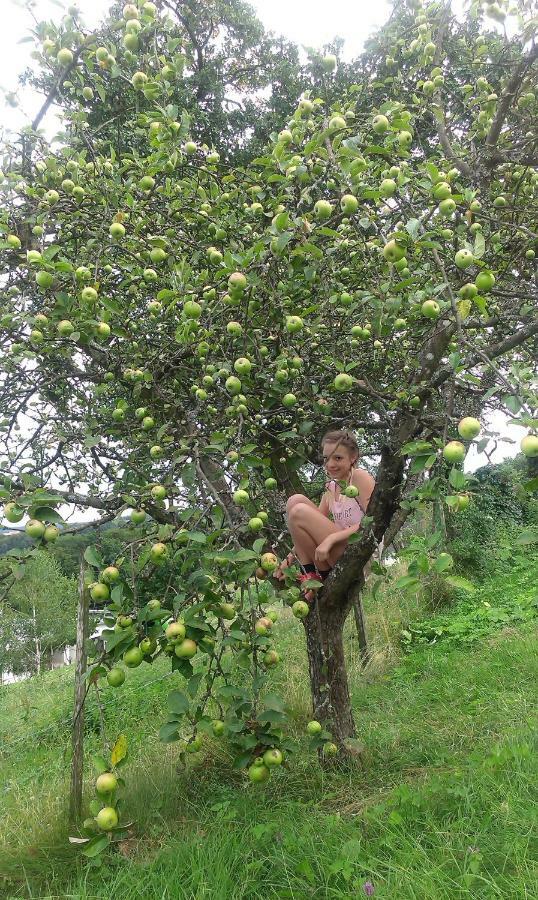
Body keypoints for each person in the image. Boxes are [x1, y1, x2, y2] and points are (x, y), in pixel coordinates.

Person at [274, 429, 376, 602]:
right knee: (294, 501)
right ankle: (311, 576)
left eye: (338, 458)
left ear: (353, 457)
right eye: (326, 458)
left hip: (360, 556)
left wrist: (331, 539)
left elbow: (372, 523)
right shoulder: (332, 486)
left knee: (299, 510)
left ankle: (319, 576)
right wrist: (290, 558)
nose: (330, 464)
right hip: (336, 551)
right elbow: (304, 527)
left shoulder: (360, 478)